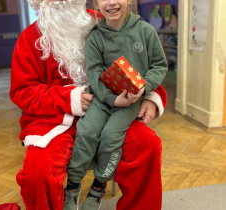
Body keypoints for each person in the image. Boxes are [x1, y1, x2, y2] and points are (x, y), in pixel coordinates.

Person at [9, 0, 167, 210]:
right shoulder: (29, 38)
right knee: (38, 174)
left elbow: (142, 62)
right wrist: (68, 98)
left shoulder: (104, 19)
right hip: (55, 121)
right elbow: (22, 92)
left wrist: (151, 97)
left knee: (148, 146)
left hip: (113, 108)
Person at [64, 0, 167, 209]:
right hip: (103, 99)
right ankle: (73, 186)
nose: (111, 2)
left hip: (130, 102)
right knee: (87, 131)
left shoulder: (146, 31)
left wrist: (144, 88)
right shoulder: (94, 36)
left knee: (111, 136)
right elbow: (94, 73)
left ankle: (99, 186)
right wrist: (111, 99)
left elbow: (159, 65)